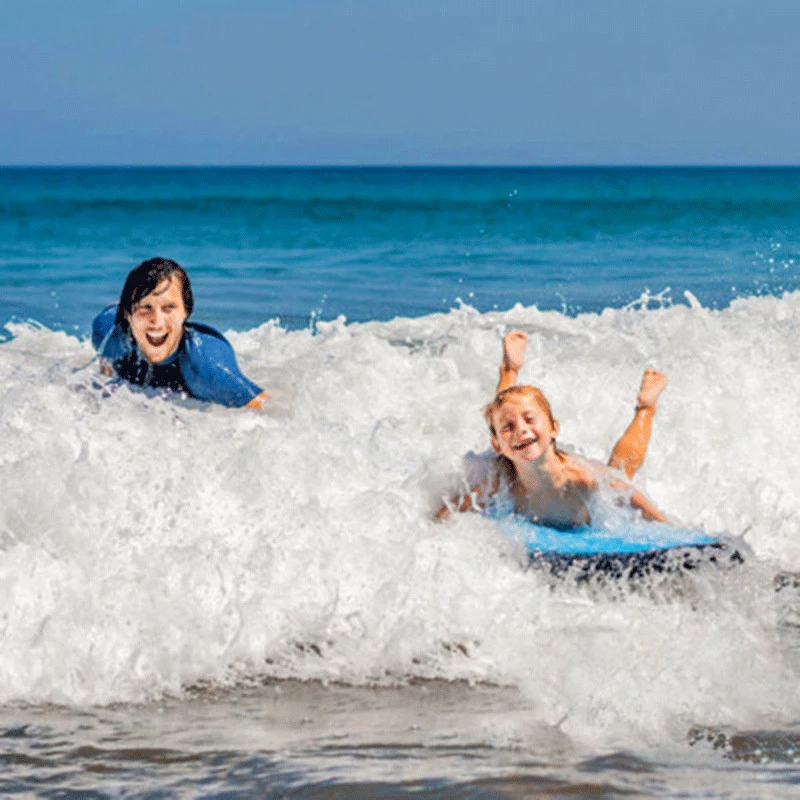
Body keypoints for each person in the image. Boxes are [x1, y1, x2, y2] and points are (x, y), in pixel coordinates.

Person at [436, 331, 670, 528]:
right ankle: (509, 370)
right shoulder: (501, 481)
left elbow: (625, 489)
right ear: (497, 444)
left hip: (580, 477)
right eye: (510, 429)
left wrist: (668, 526)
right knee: (504, 410)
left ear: (554, 428)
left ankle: (646, 408)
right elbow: (454, 510)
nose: (521, 430)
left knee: (620, 470)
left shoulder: (582, 479)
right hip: (511, 458)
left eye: (530, 420)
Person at [91, 258, 268, 409]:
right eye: (145, 307)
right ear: (128, 314)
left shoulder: (207, 368)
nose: (157, 322)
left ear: (186, 312)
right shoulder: (108, 335)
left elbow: (267, 408)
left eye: (169, 308)